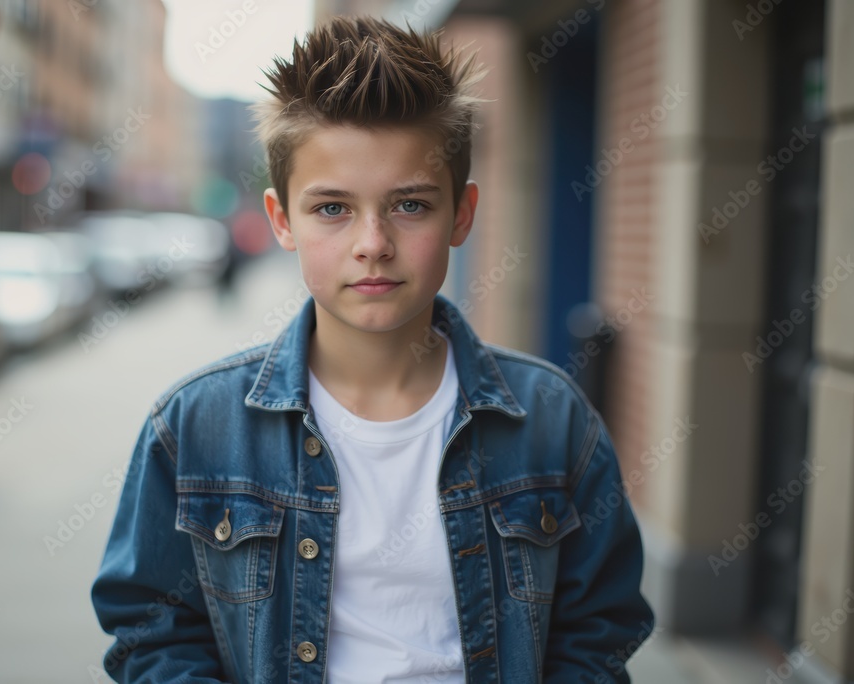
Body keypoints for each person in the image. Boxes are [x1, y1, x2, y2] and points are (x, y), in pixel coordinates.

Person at [91, 15, 654, 683]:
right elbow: (150, 630)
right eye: (332, 208)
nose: (373, 243)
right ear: (281, 220)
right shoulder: (194, 427)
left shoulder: (553, 421)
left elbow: (598, 631)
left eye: (410, 205)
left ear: (462, 214)